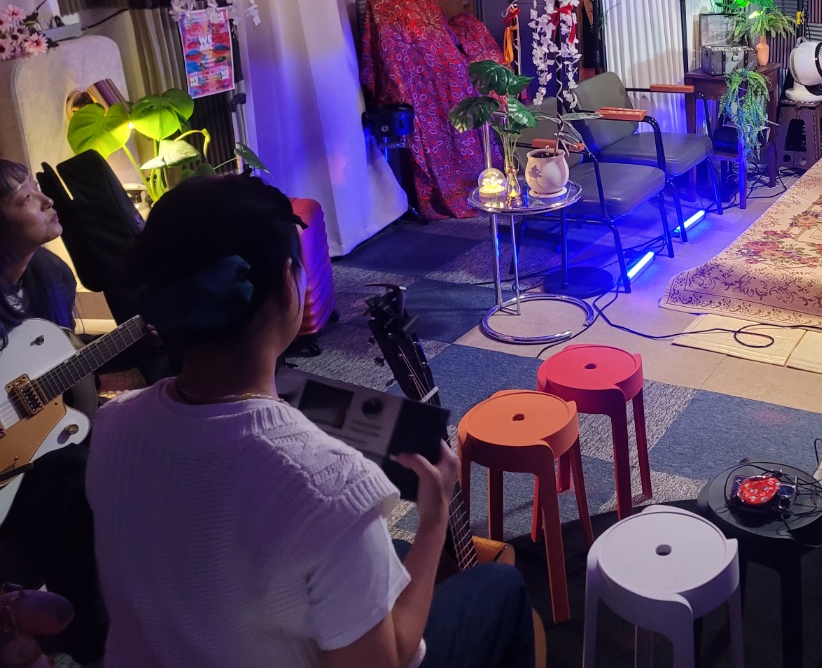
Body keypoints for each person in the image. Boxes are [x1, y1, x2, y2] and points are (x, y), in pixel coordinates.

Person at [87, 174, 535, 668]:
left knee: (388, 558)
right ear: (289, 282)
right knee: (501, 586)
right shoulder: (333, 486)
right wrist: (434, 518)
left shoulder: (112, 425)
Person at [0, 157, 106, 664]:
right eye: (26, 198)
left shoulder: (52, 274)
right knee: (76, 471)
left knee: (94, 458)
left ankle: (84, 633)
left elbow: (64, 371)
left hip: (40, 442)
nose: (46, 201)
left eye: (38, 189)